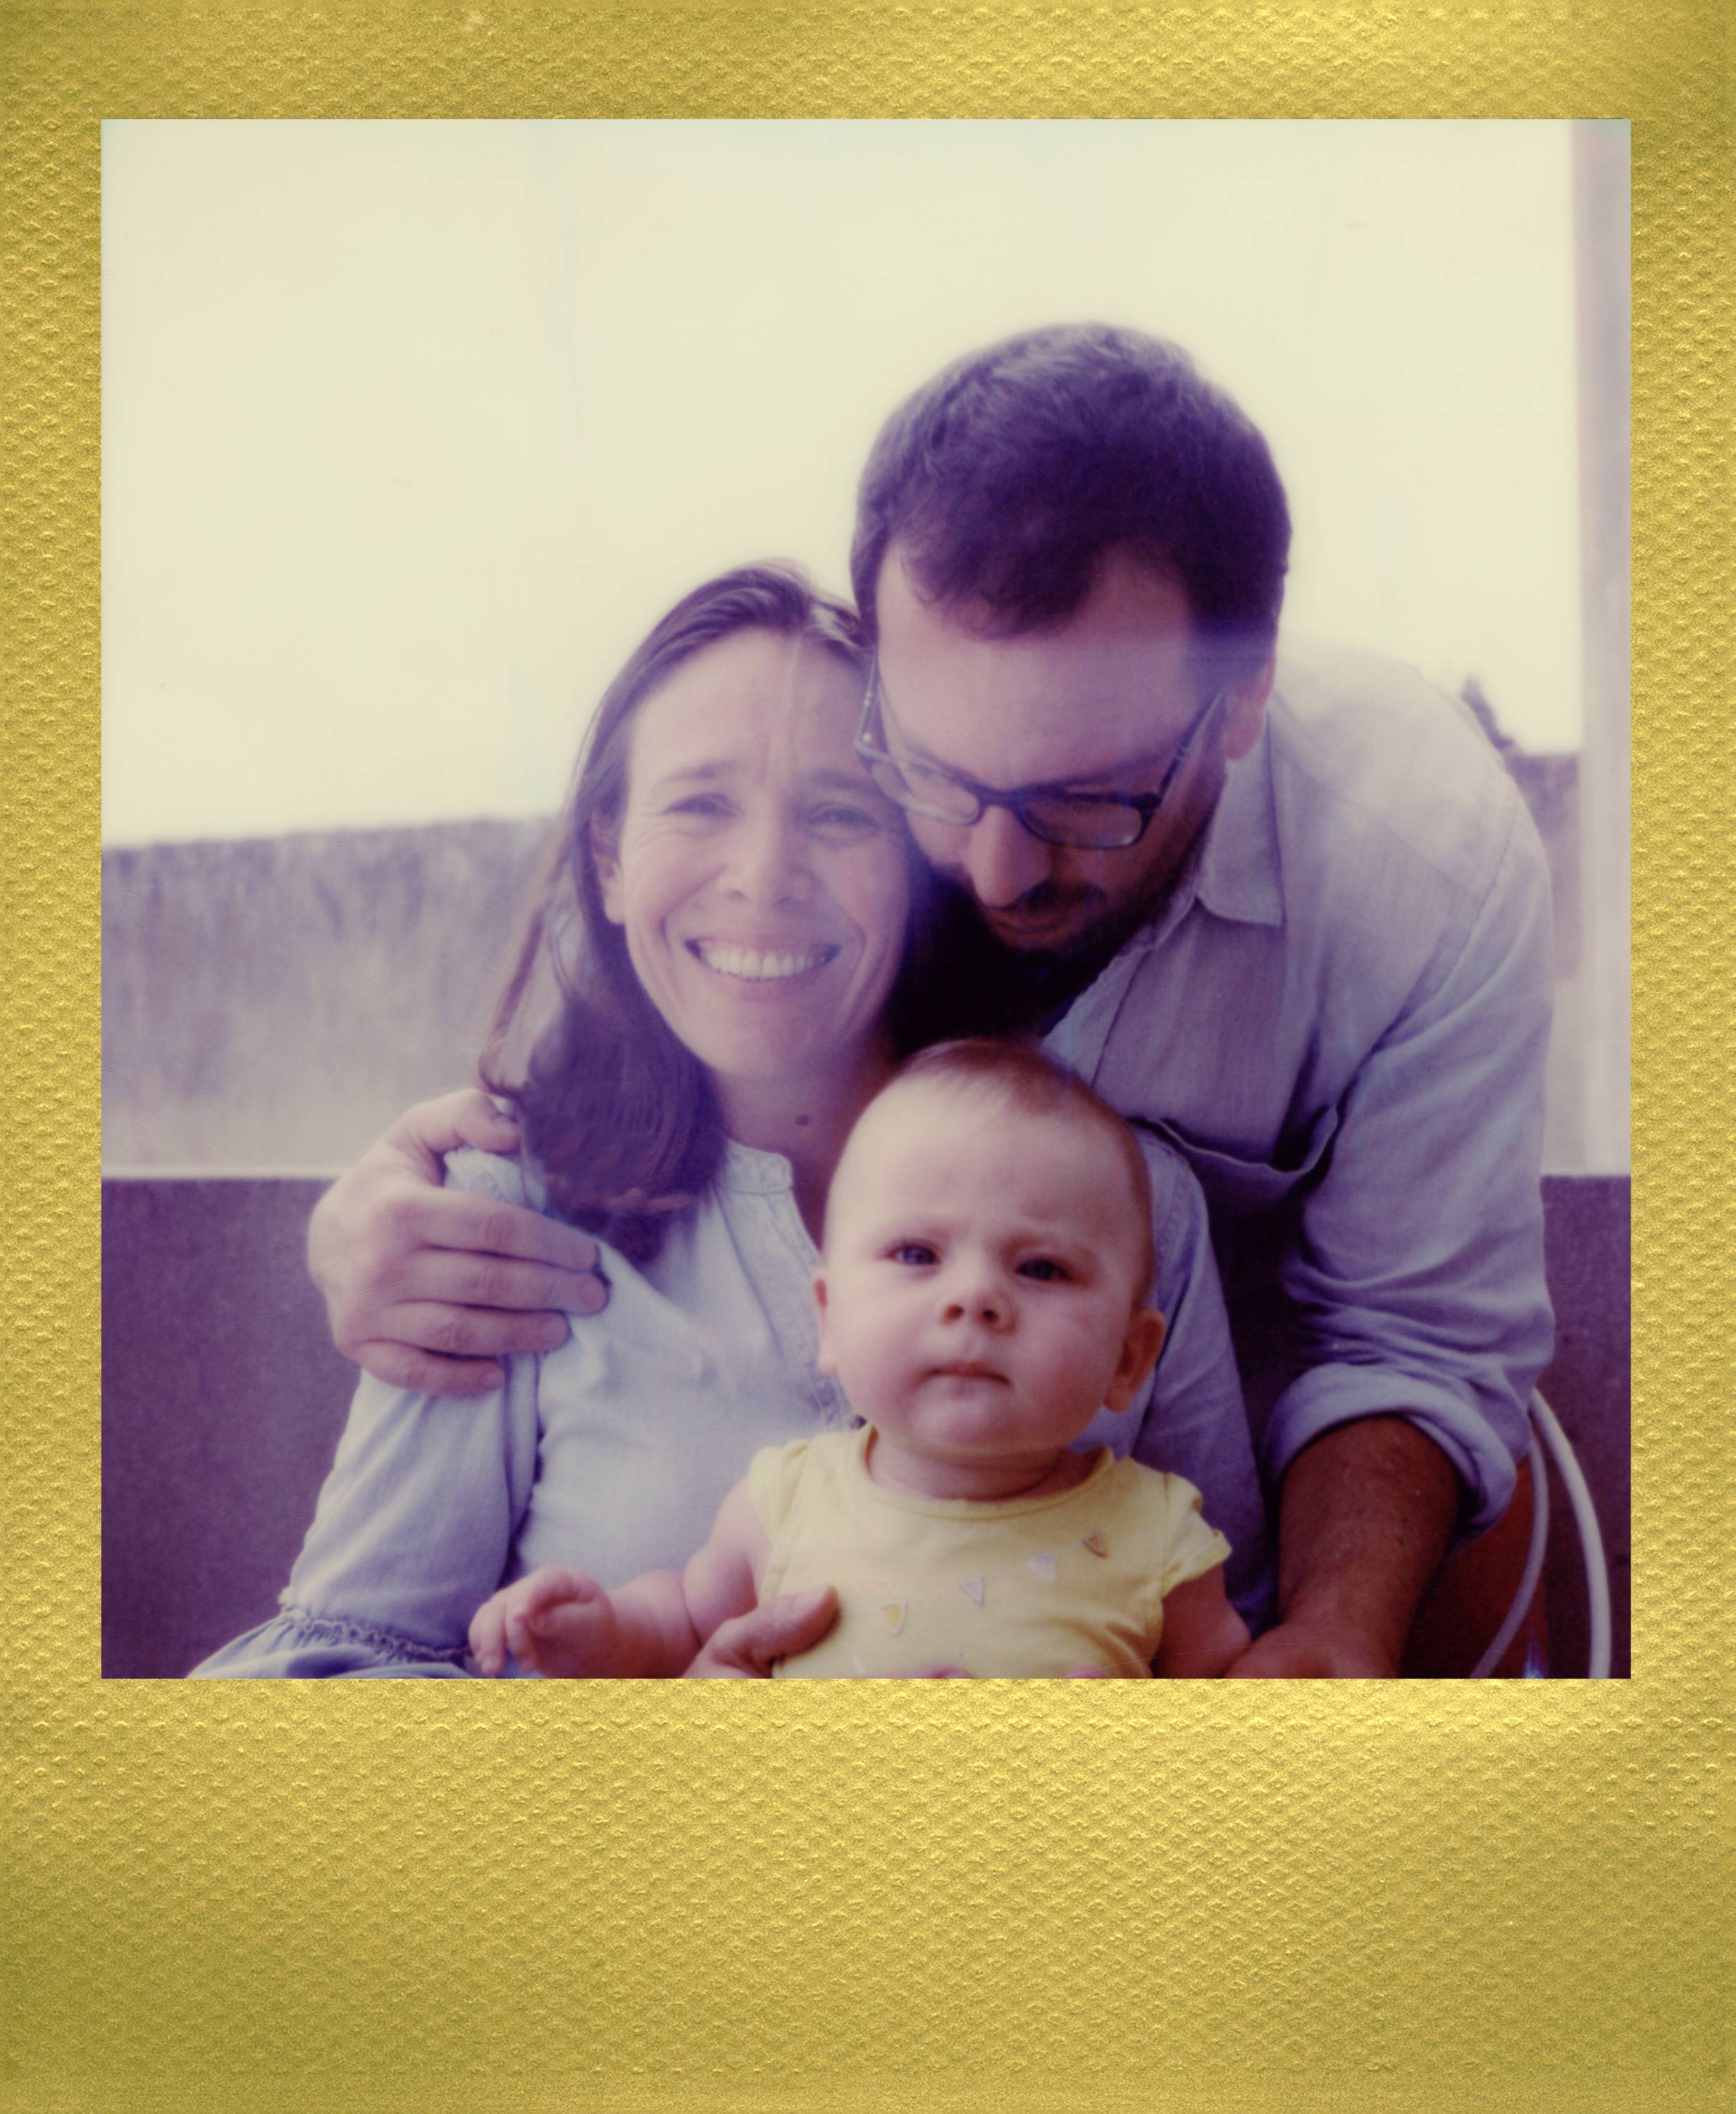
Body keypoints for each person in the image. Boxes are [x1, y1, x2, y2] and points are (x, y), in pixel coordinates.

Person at [307, 324, 1556, 1679]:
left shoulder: (1415, 867)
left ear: (1240, 694)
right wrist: (369, 1215)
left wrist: (1318, 1656)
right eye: (931, 776)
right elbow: (660, 941)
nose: (993, 868)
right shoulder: (813, 749)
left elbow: (1412, 1342)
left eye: (1087, 797)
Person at [191, 564, 1263, 1679]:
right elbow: (308, 1686)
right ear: (609, 858)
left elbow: (1241, 1680)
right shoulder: (500, 1216)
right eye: (700, 803)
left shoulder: (1136, 1213)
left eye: (840, 813)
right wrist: (661, 1755)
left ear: (919, 865)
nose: (764, 877)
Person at [471, 1040, 1251, 1680]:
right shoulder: (785, 1502)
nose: (975, 1297)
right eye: (917, 1253)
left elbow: (1235, 1741)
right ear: (830, 1319)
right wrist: (598, 1631)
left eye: (1040, 1268)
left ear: (1130, 1354)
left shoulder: (1157, 1539)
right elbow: (681, 1617)